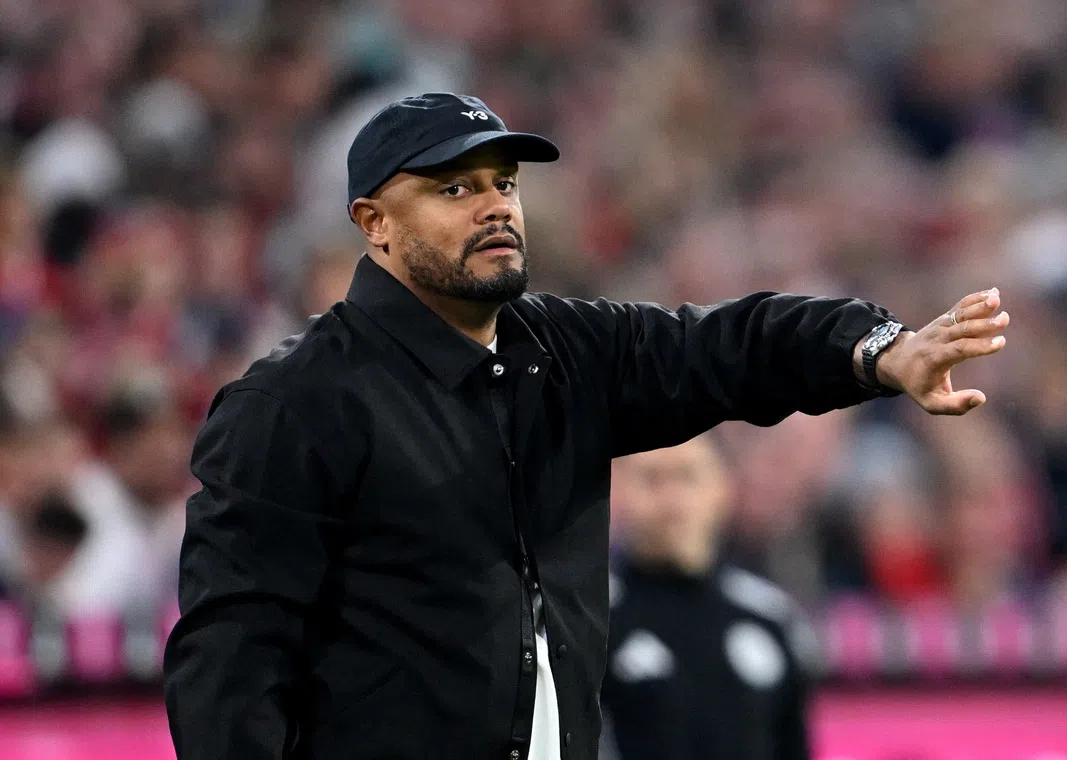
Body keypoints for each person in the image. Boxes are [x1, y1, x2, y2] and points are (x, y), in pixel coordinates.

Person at [163, 93, 1010, 760]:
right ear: (373, 223)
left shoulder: (564, 351)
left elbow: (726, 346)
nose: (494, 207)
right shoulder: (295, 402)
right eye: (454, 188)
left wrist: (877, 349)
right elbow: (231, 659)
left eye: (504, 183)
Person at [603, 435, 815, 760]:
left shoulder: (771, 618)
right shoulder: (592, 620)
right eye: (652, 479)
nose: (673, 501)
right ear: (620, 490)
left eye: (688, 476)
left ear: (723, 488)